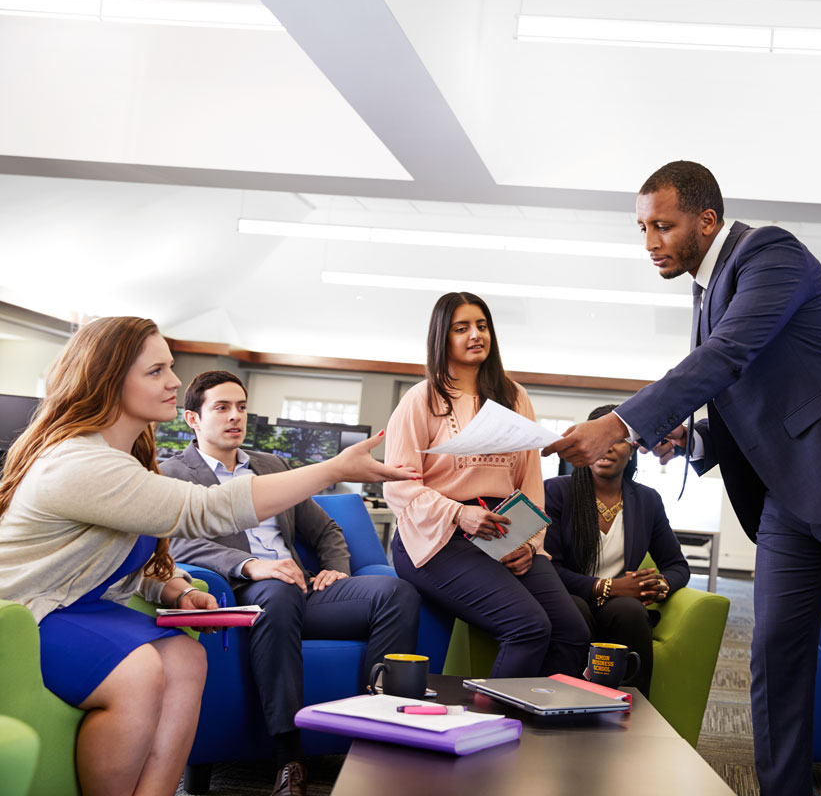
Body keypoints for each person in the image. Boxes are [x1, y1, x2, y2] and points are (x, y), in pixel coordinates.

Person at [543, 162, 821, 796]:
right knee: (774, 658)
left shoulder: (771, 254)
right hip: (789, 500)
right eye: (642, 227)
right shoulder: (705, 291)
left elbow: (728, 355)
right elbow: (747, 399)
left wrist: (622, 421)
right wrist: (690, 436)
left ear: (707, 220)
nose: (650, 242)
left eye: (663, 226)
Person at [0, 316, 419, 796]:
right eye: (156, 371)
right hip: (28, 613)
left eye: (170, 368)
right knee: (140, 672)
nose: (174, 381)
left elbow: (117, 561)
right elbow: (204, 511)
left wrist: (173, 588)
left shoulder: (124, 458)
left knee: (186, 657)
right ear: (111, 382)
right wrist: (332, 470)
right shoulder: (82, 463)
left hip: (77, 604)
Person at [160, 371, 422, 796]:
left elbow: (326, 531)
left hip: (303, 593)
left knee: (397, 592)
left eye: (241, 407)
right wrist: (249, 565)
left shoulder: (272, 466)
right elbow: (180, 543)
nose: (235, 417)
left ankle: (376, 735)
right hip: (245, 593)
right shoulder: (172, 473)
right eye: (222, 408)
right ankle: (289, 757)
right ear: (192, 418)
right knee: (277, 592)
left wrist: (337, 566)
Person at [383, 292, 588, 678]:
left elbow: (529, 482)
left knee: (572, 631)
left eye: (482, 326)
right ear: (443, 337)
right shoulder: (421, 399)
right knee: (528, 627)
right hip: (436, 538)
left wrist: (528, 544)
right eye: (462, 328)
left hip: (503, 532)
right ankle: (487, 729)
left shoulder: (513, 396)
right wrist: (459, 514)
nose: (476, 335)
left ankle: (537, 728)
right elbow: (397, 486)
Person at [543, 404, 690, 697]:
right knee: (575, 609)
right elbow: (548, 569)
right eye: (598, 440)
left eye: (617, 441)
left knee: (631, 611)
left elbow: (677, 565)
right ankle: (564, 705)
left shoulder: (647, 501)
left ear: (633, 448)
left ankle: (632, 709)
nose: (607, 449)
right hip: (568, 595)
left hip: (619, 604)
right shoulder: (556, 491)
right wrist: (606, 586)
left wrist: (658, 586)